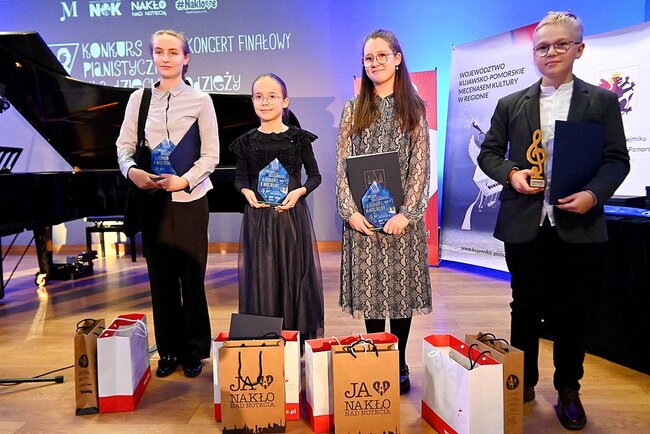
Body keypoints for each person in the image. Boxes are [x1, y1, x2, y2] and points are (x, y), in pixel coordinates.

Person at [478, 12, 629, 430]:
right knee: (524, 306)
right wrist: (512, 173)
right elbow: (489, 152)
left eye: (561, 44)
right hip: (524, 223)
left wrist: (593, 194)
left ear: (579, 49)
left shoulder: (601, 102)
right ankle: (522, 382)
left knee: (572, 312)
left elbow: (617, 159)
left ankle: (568, 389)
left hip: (578, 225)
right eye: (542, 46)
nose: (551, 53)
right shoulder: (511, 104)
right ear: (534, 53)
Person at [116, 29, 219, 378]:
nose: (166, 58)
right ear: (152, 56)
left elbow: (211, 155)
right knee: (160, 280)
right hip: (153, 200)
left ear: (186, 58)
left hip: (190, 199)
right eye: (159, 51)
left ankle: (194, 351)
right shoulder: (139, 99)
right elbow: (124, 146)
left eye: (173, 52)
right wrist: (132, 171)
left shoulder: (201, 100)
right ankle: (169, 351)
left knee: (191, 277)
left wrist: (185, 180)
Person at [336, 29, 432, 395]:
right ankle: (378, 357)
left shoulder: (414, 107)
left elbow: (420, 165)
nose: (374, 63)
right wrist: (349, 211)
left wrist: (406, 213)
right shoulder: (353, 108)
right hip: (363, 220)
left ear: (397, 58)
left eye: (381, 56)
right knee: (372, 294)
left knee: (400, 294)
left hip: (401, 222)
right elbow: (342, 163)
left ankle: (399, 361)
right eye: (368, 58)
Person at [231, 73, 324, 345]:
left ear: (285, 101)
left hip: (291, 217)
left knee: (293, 273)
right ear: (252, 101)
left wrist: (299, 192)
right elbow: (240, 178)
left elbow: (315, 176)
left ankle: (294, 339)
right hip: (259, 218)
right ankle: (266, 340)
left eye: (272, 96)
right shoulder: (246, 142)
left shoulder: (298, 139)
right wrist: (246, 191)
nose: (265, 102)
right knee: (263, 275)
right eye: (259, 97)